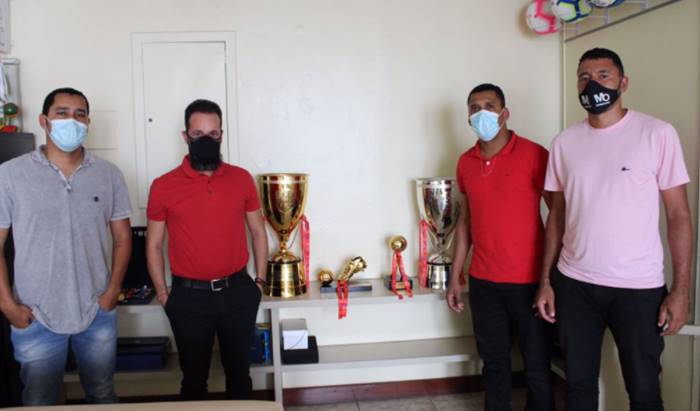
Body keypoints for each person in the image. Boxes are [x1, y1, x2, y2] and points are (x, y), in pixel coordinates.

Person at [535, 48, 692, 411]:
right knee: (578, 388)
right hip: (574, 283)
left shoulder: (657, 134)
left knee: (644, 392)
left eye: (603, 75)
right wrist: (546, 281)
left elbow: (679, 215)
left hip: (638, 288)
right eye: (584, 77)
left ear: (623, 83)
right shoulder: (564, 143)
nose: (592, 84)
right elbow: (556, 216)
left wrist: (681, 291)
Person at [0, 87, 133, 405]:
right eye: (62, 113)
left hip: (95, 310)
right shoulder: (10, 175)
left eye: (79, 114)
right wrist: (7, 305)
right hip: (35, 314)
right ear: (44, 121)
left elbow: (123, 238)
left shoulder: (108, 175)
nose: (71, 120)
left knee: (102, 394)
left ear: (88, 122)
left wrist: (112, 291)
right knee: (39, 400)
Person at [146, 99, 268, 400]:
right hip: (188, 298)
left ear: (221, 135)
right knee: (193, 381)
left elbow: (257, 231)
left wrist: (259, 282)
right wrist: (162, 293)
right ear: (185, 136)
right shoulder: (163, 185)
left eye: (213, 134)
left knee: (240, 376)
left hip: (238, 292)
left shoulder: (241, 179)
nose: (206, 140)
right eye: (198, 134)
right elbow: (154, 244)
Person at [447, 83, 554, 410]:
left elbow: (559, 215)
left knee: (537, 364)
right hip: (484, 282)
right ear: (468, 116)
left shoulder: (535, 155)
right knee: (493, 363)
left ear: (504, 113)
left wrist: (550, 278)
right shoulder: (465, 162)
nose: (482, 113)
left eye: (489, 106)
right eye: (474, 107)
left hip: (530, 281)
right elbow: (466, 221)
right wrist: (456, 275)